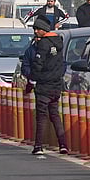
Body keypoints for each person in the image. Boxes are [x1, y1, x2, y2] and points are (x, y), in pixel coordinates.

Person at [29, 16, 68, 155]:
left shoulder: (43, 44)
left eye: (36, 29)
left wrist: (32, 80)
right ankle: (63, 144)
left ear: (42, 30)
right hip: (56, 84)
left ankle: (38, 146)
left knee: (42, 116)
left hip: (44, 85)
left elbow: (38, 64)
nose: (35, 32)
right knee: (55, 115)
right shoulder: (59, 41)